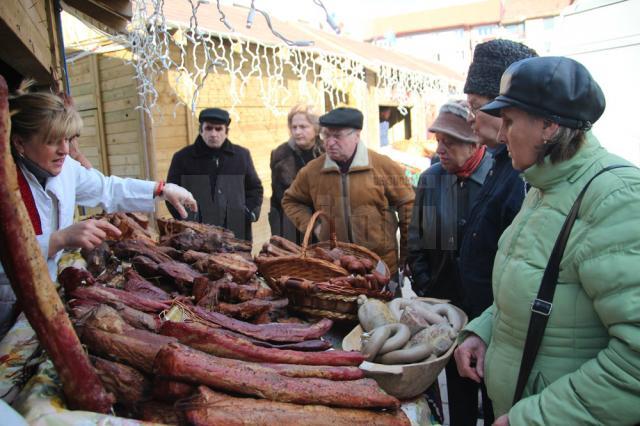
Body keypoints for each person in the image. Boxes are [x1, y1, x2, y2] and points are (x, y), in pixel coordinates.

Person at [454, 56, 640, 425]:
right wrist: (484, 329)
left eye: (509, 122)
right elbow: (539, 287)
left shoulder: (615, 200)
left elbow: (634, 361)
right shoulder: (544, 185)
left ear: (550, 127)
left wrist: (536, 418)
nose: (501, 134)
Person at [0, 84, 197, 337]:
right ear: (20, 143)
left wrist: (161, 189)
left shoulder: (66, 168)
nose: (65, 150)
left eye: (67, 139)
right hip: (7, 309)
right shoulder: (7, 184)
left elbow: (108, 188)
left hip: (44, 296)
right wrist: (58, 240)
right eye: (52, 141)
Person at [454, 39, 538, 425]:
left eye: (476, 107)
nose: (471, 119)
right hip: (489, 331)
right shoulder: (502, 165)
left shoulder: (524, 176)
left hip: (509, 345)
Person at [407, 100, 493, 425]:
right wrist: (427, 286)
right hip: (444, 310)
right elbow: (417, 241)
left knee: (493, 392)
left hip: (489, 314)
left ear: (475, 142)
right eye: (438, 140)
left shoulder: (499, 180)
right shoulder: (431, 179)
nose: (440, 148)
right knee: (458, 397)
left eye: (451, 141)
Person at [282, 107, 414, 275]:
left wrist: (407, 254)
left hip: (381, 268)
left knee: (388, 303)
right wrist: (315, 226)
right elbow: (291, 200)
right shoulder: (312, 171)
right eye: (326, 135)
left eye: (337, 136)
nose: (329, 143)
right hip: (335, 269)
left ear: (357, 135)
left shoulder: (383, 166)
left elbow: (408, 207)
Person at [167, 108, 263, 241]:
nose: (213, 134)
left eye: (218, 129)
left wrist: (248, 213)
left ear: (226, 132)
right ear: (201, 130)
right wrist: (187, 221)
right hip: (196, 237)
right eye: (209, 128)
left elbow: (255, 188)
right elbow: (171, 193)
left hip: (237, 234)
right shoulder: (182, 158)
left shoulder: (242, 156)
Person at [269, 104, 324, 244]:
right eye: (294, 127)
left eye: (303, 127)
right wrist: (277, 231)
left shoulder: (328, 153)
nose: (297, 132)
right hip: (290, 226)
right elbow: (278, 198)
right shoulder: (280, 155)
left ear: (316, 129)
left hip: (322, 227)